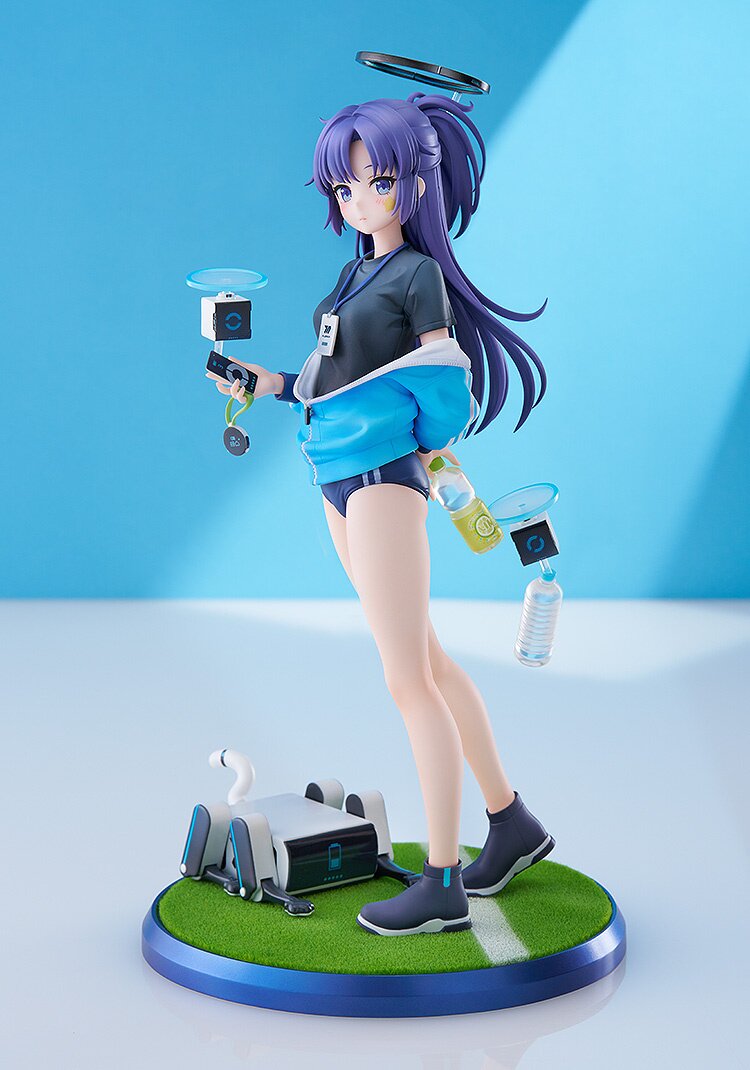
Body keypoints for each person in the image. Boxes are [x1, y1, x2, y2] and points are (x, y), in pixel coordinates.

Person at [207, 94, 554, 936]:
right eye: (346, 186)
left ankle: (442, 883)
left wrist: (419, 440)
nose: (361, 199)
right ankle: (510, 822)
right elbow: (323, 376)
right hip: (334, 476)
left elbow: (443, 376)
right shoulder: (353, 275)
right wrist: (260, 382)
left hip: (381, 481)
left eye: (381, 181)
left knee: (406, 680)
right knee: (426, 660)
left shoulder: (416, 275)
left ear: (416, 185)